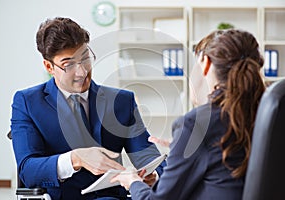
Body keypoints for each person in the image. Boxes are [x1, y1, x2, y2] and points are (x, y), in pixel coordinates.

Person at [10, 17, 166, 200]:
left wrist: (153, 176)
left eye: (85, 58)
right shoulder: (27, 102)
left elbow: (146, 156)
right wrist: (75, 159)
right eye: (68, 65)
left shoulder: (122, 101)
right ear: (48, 66)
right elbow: (28, 171)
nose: (82, 72)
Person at [111, 29, 266, 199]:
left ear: (205, 63)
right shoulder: (266, 113)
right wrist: (182, 151)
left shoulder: (197, 124)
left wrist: (133, 183)